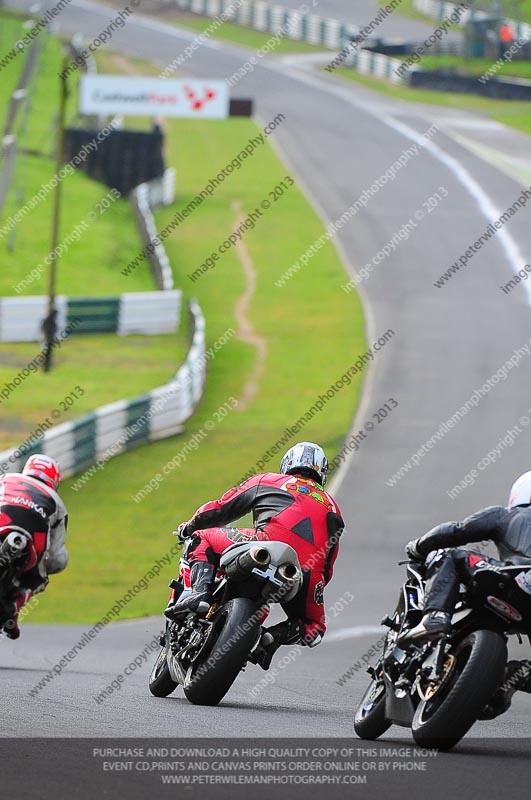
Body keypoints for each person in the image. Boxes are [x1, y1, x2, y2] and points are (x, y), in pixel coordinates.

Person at [166, 442, 344, 669]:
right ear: (323, 473)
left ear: (287, 464)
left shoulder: (270, 480)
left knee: (203, 537)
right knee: (314, 628)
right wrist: (311, 586)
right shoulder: (333, 508)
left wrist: (189, 527)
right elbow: (327, 567)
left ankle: (199, 594)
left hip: (262, 544)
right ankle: (273, 638)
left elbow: (221, 508)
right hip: (304, 572)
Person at [400, 470, 531, 716]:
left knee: (448, 554)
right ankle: (514, 678)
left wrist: (418, 546)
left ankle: (436, 616)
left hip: (510, 578)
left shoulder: (507, 515)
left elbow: (457, 531)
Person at [0, 454, 68, 639]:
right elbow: (56, 553)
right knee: (41, 578)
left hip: (3, 526)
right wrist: (50, 566)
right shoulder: (57, 502)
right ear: (54, 479)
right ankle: (16, 604)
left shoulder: (7, 478)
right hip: (32, 546)